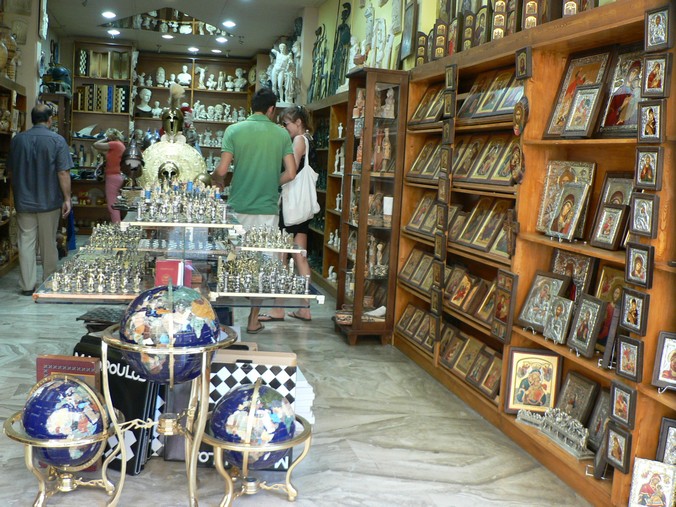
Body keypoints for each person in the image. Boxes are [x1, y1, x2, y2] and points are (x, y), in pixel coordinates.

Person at [212, 88, 296, 334]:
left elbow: (222, 170)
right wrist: (271, 181)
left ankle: (223, 323)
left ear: (252, 107)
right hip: (267, 209)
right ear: (272, 109)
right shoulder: (281, 134)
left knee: (230, 261)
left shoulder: (234, 130)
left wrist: (215, 180)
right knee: (261, 265)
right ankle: (252, 320)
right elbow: (291, 173)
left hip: (238, 206)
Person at [7, 104, 73, 295]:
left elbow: (11, 171)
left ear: (32, 119)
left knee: (26, 243)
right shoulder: (57, 140)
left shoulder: (17, 140)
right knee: (48, 243)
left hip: (24, 201)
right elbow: (63, 172)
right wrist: (67, 198)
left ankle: (27, 286)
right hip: (49, 201)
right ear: (50, 119)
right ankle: (48, 282)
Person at [260, 105, 317, 323]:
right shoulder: (309, 140)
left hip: (291, 207)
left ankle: (278, 308)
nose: (284, 128)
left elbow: (291, 173)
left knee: (282, 256)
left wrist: (272, 182)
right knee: (300, 256)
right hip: (302, 208)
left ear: (298, 122)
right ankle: (304, 308)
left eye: (286, 124)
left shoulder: (299, 140)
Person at [93, 129, 126, 224]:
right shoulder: (119, 145)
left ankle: (117, 227)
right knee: (115, 204)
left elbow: (96, 144)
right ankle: (118, 225)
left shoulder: (115, 144)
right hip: (117, 176)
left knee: (112, 205)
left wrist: (105, 139)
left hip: (113, 177)